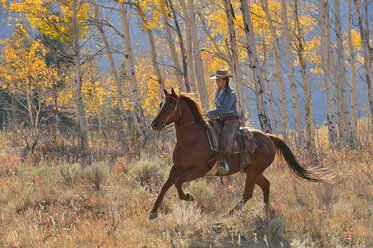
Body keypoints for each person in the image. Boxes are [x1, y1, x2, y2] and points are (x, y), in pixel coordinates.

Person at [207, 69, 240, 175]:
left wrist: (210, 112)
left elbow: (225, 109)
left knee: (226, 138)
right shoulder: (219, 92)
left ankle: (226, 163)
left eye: (219, 80)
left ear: (225, 80)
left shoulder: (230, 94)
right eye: (216, 80)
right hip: (221, 120)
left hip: (231, 121)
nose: (216, 82)